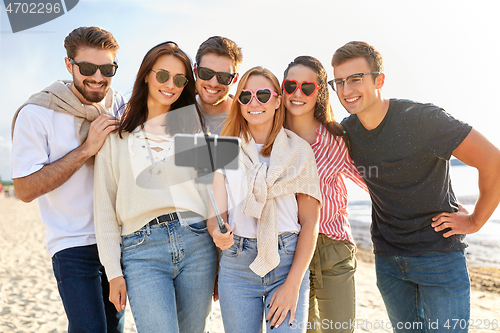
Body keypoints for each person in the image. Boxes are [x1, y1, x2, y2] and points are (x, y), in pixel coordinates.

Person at [331, 41, 500, 332]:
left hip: (439, 258)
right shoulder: (348, 131)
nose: (347, 91)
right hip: (387, 262)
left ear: (379, 79)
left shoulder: (422, 118)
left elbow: (493, 162)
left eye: (356, 79)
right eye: (340, 82)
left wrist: (475, 221)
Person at [93, 41, 217, 333]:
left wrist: (221, 262)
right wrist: (113, 272)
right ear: (146, 75)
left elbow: (211, 198)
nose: (170, 85)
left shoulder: (195, 134)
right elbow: (104, 208)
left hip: (197, 243)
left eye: (179, 79)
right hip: (141, 250)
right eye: (162, 75)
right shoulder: (116, 137)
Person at [10, 26, 125, 332]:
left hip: (118, 242)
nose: (98, 77)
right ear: (68, 65)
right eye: (87, 68)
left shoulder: (118, 105)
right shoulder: (38, 112)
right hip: (73, 245)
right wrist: (87, 149)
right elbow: (24, 188)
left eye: (107, 68)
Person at [209, 66, 322, 332]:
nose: (253, 102)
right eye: (245, 96)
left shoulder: (299, 151)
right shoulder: (222, 149)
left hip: (287, 262)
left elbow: (310, 223)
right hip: (236, 264)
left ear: (277, 101)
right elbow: (216, 215)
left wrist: (293, 285)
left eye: (262, 94)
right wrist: (217, 232)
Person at [283, 56, 367, 333]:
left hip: (334, 247)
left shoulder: (337, 139)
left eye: (307, 87)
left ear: (319, 92)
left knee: (339, 329)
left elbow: (374, 185)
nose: (298, 93)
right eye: (290, 85)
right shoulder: (271, 137)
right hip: (288, 249)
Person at [195, 36, 242, 135]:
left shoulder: (245, 120)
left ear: (235, 79)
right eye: (206, 73)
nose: (213, 83)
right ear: (196, 71)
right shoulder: (175, 112)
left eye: (223, 76)